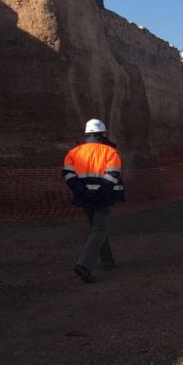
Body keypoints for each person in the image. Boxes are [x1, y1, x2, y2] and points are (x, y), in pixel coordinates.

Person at [62, 119, 125, 283]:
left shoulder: (73, 152)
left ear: (87, 134)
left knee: (97, 229)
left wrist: (81, 190)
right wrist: (99, 193)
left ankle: (108, 262)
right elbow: (112, 176)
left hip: (83, 197)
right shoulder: (110, 152)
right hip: (102, 198)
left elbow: (68, 175)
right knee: (99, 230)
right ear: (103, 133)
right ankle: (84, 265)